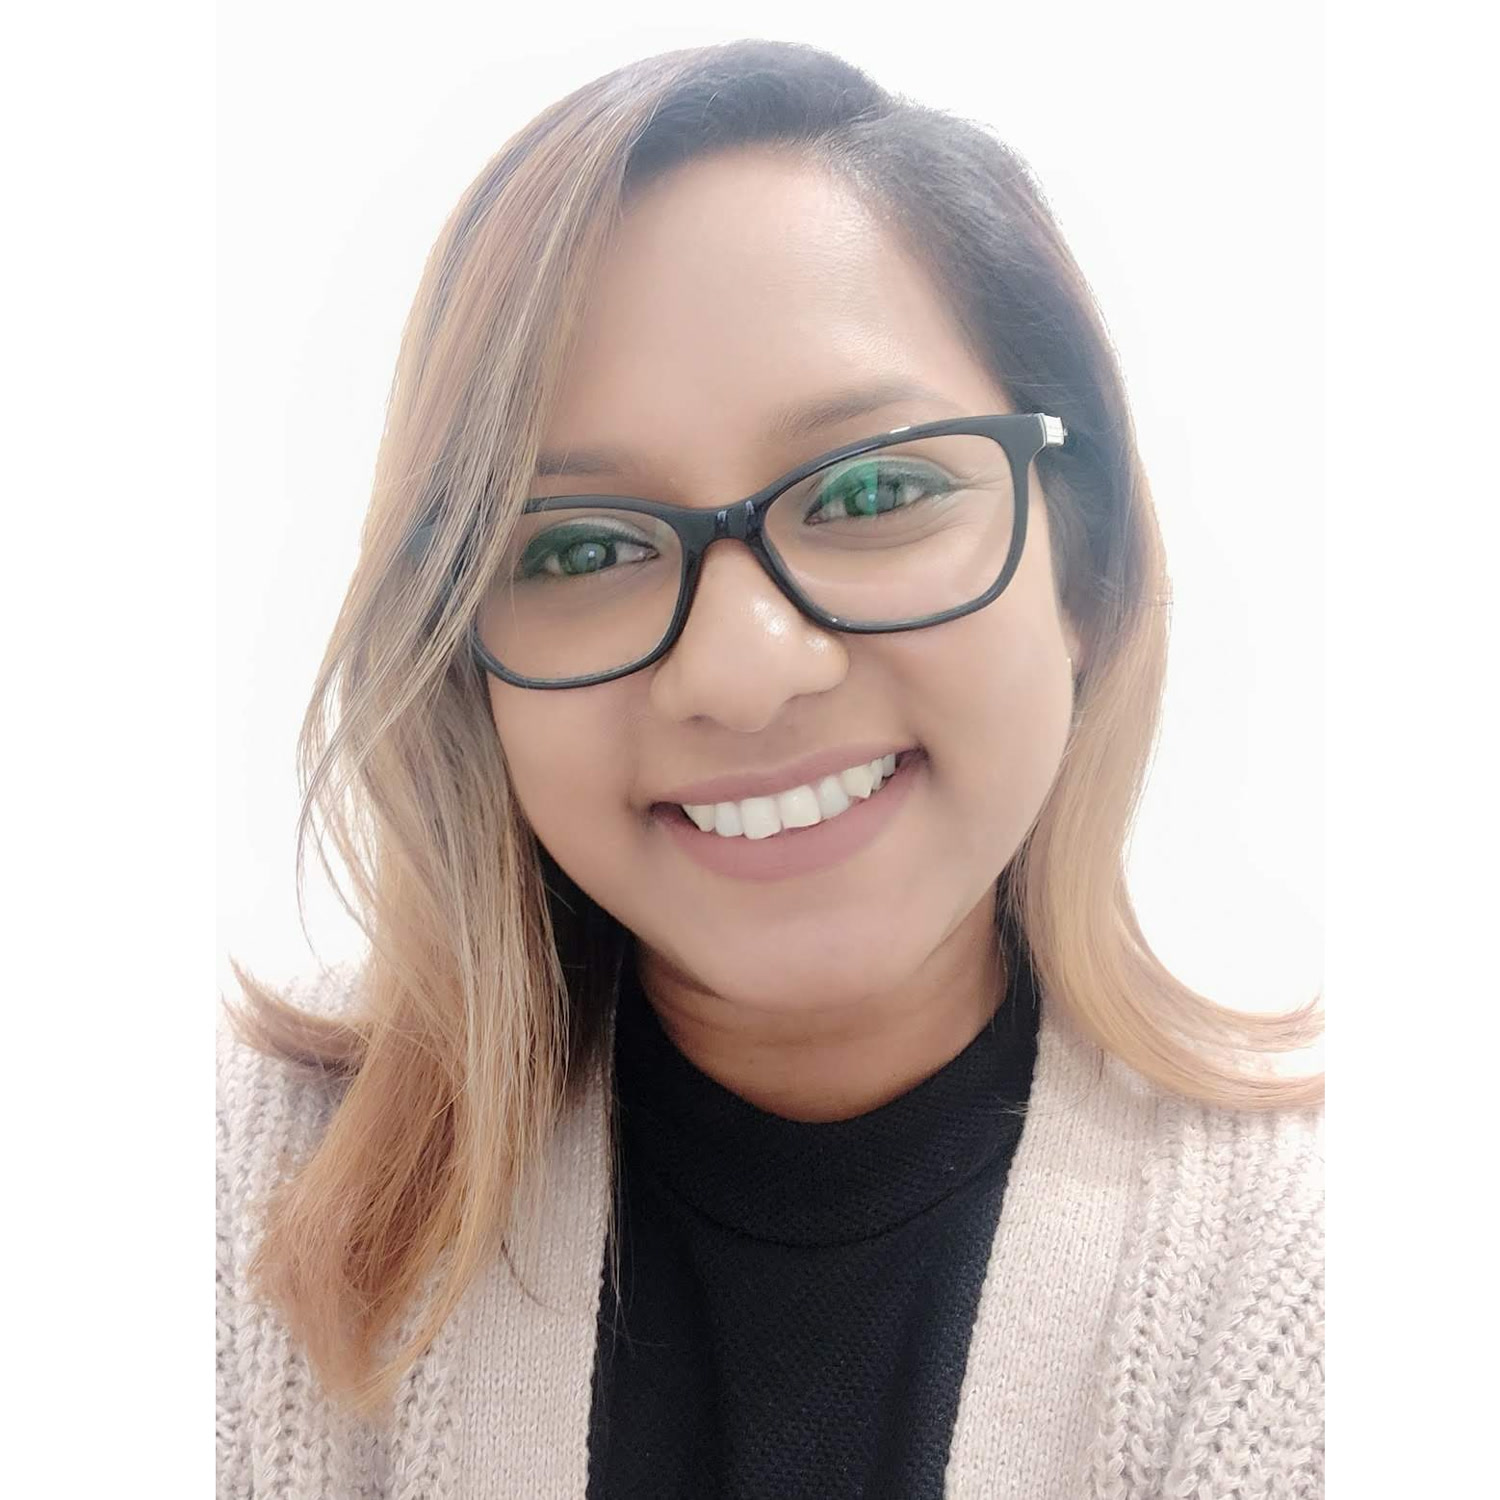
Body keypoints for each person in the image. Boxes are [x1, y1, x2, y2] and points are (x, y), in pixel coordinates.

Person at [216, 37, 1324, 1500]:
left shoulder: (1329, 1274)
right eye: (579, 550)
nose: (743, 673)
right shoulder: (220, 1203)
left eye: (874, 489)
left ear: (1088, 564)